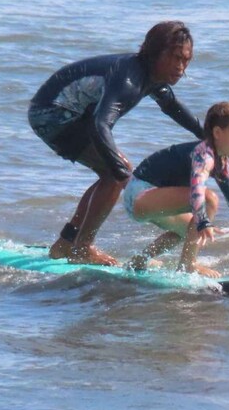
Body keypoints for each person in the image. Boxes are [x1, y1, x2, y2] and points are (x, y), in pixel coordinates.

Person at [28, 21, 204, 266]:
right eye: (175, 58)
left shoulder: (151, 77)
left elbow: (173, 108)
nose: (181, 67)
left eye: (186, 60)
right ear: (154, 53)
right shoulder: (128, 79)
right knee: (114, 172)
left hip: (66, 115)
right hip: (52, 114)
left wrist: (208, 137)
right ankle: (81, 248)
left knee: (110, 172)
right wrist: (120, 172)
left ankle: (67, 243)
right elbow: (100, 125)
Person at [122, 101, 229, 278]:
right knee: (209, 199)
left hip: (149, 198)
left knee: (187, 230)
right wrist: (203, 221)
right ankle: (188, 265)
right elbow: (198, 188)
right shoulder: (204, 156)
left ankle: (139, 260)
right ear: (218, 133)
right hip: (140, 195)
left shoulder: (221, 159)